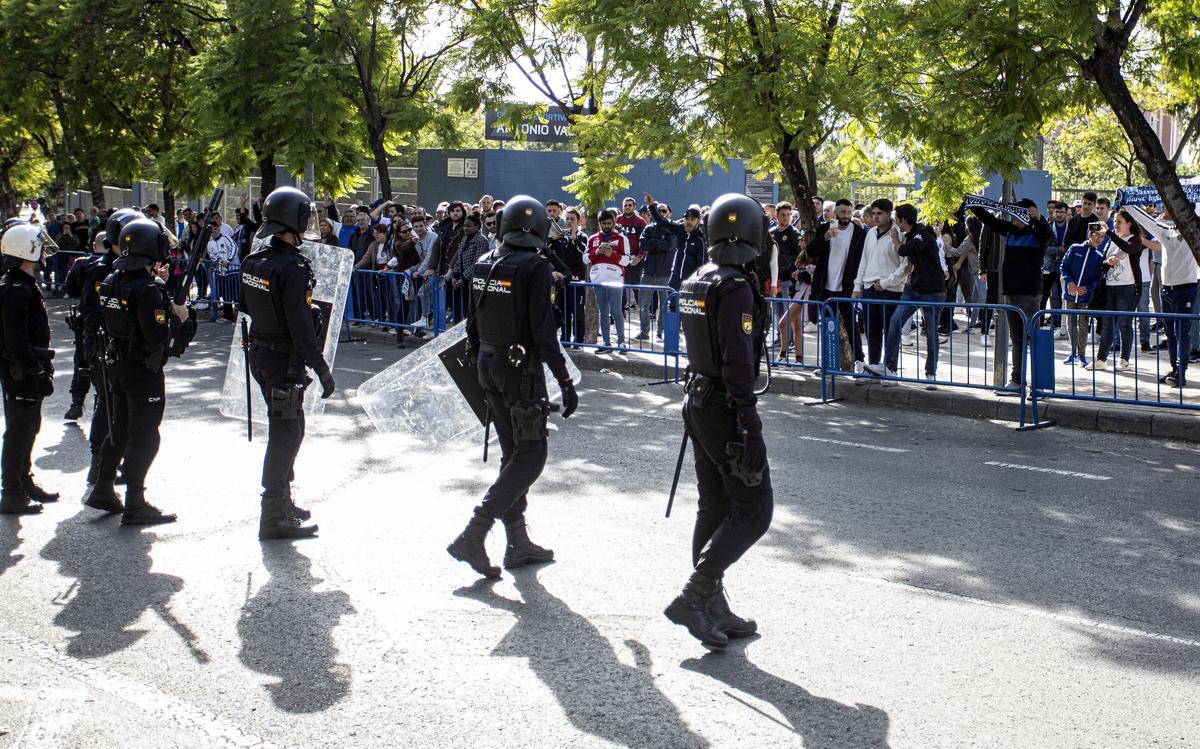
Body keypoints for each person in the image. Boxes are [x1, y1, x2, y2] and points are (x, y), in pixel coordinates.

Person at [447, 195, 578, 579]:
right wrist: (565, 380)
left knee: (512, 454)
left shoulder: (487, 262)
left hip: (488, 364)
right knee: (532, 455)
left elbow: (471, 321)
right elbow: (543, 332)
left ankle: (517, 541)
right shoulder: (534, 267)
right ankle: (475, 531)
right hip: (520, 372)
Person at [666, 193, 772, 652]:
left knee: (713, 505)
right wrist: (749, 422)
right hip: (726, 407)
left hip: (699, 403)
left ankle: (714, 606)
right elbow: (736, 360)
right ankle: (696, 596)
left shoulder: (697, 279)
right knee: (753, 509)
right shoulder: (735, 287)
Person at [81, 218, 196, 525]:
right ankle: (135, 502)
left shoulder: (112, 280)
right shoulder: (146, 290)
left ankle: (104, 488)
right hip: (142, 371)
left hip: (117, 365)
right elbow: (159, 337)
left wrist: (159, 288)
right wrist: (179, 316)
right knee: (145, 435)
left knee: (119, 429)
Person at [238, 187, 336, 539]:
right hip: (284, 361)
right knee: (286, 434)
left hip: (262, 356)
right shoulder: (293, 267)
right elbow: (300, 326)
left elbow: (245, 306)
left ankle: (283, 500)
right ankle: (272, 514)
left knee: (291, 428)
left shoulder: (254, 260)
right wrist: (320, 367)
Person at [81, 209, 144, 482]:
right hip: (105, 347)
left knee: (122, 410)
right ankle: (98, 462)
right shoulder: (102, 269)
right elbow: (92, 314)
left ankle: (114, 464)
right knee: (106, 404)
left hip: (125, 350)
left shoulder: (128, 267)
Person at [0, 223, 58, 515]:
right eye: (40, 246)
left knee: (29, 428)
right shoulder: (14, 289)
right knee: (19, 431)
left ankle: (24, 481)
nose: (45, 251)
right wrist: (35, 370)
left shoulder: (23, 283)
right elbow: (15, 339)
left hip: (25, 369)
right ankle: (11, 492)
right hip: (20, 371)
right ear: (28, 250)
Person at [968, 199, 1053, 388]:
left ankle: (1038, 383)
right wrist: (972, 204)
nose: (1012, 218)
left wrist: (1039, 217)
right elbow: (991, 221)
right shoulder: (1011, 231)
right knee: (1017, 340)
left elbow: (1048, 235)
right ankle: (1017, 380)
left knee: (1033, 339)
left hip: (1029, 295)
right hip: (1010, 293)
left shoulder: (1036, 233)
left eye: (1017, 213)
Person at [1127, 205, 1198, 387]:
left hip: (1187, 288)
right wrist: (1127, 202)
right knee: (1170, 333)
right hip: (1167, 289)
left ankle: (1181, 372)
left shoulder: (1194, 230)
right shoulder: (1164, 228)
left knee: (1183, 332)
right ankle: (1174, 368)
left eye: (1168, 206)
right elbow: (1143, 219)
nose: (1164, 208)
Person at [881, 204, 946, 386]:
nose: (896, 223)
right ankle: (890, 368)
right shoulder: (910, 234)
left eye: (897, 219)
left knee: (932, 333)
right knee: (895, 322)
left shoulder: (922, 233)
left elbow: (904, 250)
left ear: (904, 220)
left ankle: (930, 373)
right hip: (913, 289)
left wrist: (894, 237)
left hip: (933, 291)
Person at [809, 198, 866, 368]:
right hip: (825, 287)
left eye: (849, 212)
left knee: (851, 326)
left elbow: (862, 260)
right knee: (827, 326)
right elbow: (811, 251)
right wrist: (824, 238)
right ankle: (829, 363)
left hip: (847, 287)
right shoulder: (827, 228)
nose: (846, 216)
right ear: (835, 213)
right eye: (843, 212)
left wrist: (858, 286)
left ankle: (859, 361)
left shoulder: (858, 233)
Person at [1087, 211, 1146, 371]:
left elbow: (1128, 248)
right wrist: (1107, 261)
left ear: (1129, 223)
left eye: (1119, 221)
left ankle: (1124, 360)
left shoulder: (1134, 239)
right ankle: (1101, 359)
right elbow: (1102, 263)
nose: (1116, 224)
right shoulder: (1111, 242)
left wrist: (1109, 233)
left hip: (1128, 289)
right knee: (1107, 324)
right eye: (1114, 221)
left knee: (1124, 324)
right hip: (1109, 288)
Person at [854, 199, 906, 373]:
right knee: (872, 333)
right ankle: (873, 367)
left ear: (889, 214)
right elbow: (863, 261)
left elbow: (905, 266)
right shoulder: (870, 233)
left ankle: (890, 369)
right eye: (873, 213)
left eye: (880, 213)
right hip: (869, 289)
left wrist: (886, 282)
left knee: (891, 334)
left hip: (891, 290)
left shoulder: (899, 233)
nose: (875, 217)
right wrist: (857, 286)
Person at [61, 230, 109, 420]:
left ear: (95, 246)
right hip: (110, 320)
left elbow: (70, 288)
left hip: (87, 320)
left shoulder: (84, 264)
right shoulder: (119, 264)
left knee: (81, 362)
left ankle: (77, 403)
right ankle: (100, 401)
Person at [1059, 226, 1108, 367]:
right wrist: (1069, 282)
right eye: (1096, 235)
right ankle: (1072, 352)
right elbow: (1064, 266)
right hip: (1070, 293)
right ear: (1089, 234)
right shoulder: (1075, 248)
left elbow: (1097, 277)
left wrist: (1087, 288)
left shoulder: (1098, 256)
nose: (1099, 239)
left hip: (1084, 296)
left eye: (1102, 237)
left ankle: (1081, 354)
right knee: (1070, 323)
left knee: (1083, 324)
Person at [585, 209, 631, 350]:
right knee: (603, 312)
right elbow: (585, 258)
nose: (606, 226)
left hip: (615, 280)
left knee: (616, 311)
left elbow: (627, 261)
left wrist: (613, 254)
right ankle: (606, 343)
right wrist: (596, 252)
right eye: (604, 223)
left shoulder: (622, 238)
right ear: (599, 223)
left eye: (609, 223)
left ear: (614, 222)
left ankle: (621, 343)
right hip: (598, 280)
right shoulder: (592, 239)